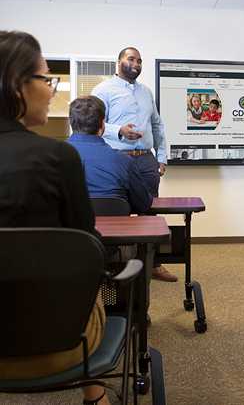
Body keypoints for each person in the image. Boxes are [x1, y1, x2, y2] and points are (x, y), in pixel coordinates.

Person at [0, 31, 109, 404]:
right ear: (17, 85)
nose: (51, 90)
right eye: (47, 79)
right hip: (56, 347)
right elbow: (87, 249)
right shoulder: (58, 157)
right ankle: (94, 393)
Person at [68, 95, 170, 306]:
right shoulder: (122, 160)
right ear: (103, 125)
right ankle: (136, 309)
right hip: (114, 247)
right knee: (147, 243)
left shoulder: (51, 157)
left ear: (71, 123)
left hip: (65, 247)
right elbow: (144, 204)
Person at [92, 47, 174, 282]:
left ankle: (153, 265)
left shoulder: (146, 92)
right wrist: (119, 130)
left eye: (139, 60)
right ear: (119, 62)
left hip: (146, 159)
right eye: (131, 59)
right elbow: (93, 121)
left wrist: (161, 156)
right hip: (117, 158)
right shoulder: (104, 89)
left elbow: (157, 125)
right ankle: (121, 267)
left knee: (149, 213)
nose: (136, 63)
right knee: (120, 212)